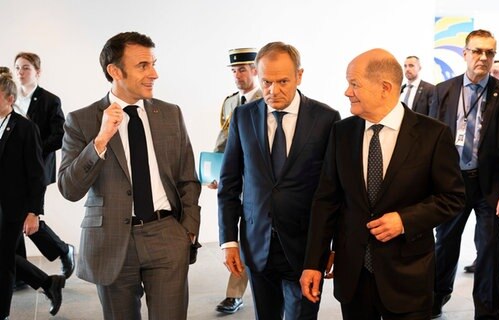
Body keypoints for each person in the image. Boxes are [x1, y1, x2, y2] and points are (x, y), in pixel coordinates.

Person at [300, 48, 465, 320]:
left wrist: (404, 220)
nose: (347, 92)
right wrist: (313, 263)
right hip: (353, 277)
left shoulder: (433, 135)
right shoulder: (342, 133)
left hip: (408, 278)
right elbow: (326, 200)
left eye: (354, 84)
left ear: (385, 88)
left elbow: (453, 198)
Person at [57, 31, 201, 320]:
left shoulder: (170, 114)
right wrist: (100, 140)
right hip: (110, 242)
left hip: (166, 236)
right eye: (143, 66)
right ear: (114, 71)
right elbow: (69, 189)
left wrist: (187, 230)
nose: (154, 73)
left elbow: (188, 178)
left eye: (153, 63)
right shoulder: (81, 120)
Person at [218, 41, 340, 320]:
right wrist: (228, 241)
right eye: (266, 81)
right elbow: (229, 183)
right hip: (256, 244)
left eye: (283, 81)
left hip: (306, 247)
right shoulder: (243, 116)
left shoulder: (326, 119)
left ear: (300, 75)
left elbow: (334, 191)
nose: (273, 91)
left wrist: (333, 245)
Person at [431, 30, 499, 319]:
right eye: (478, 51)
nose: (484, 57)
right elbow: (429, 143)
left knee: (488, 251)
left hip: (488, 188)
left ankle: (487, 312)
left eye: (490, 53)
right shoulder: (442, 91)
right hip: (451, 185)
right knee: (444, 245)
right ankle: (435, 299)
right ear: (465, 53)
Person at [0, 70, 64, 319]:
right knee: (5, 256)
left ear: (8, 98)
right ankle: (49, 283)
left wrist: (34, 212)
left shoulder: (25, 128)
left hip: (14, 206)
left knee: (4, 259)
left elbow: (36, 174)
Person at [12, 52, 75, 283]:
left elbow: (59, 137)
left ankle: (62, 250)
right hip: (12, 168)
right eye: (17, 67)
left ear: (38, 71)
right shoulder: (10, 99)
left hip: (37, 167)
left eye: (26, 67)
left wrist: (33, 150)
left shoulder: (50, 100)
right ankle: (20, 271)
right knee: (14, 215)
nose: (20, 72)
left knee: (23, 214)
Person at [211, 48, 263, 314]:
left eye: (242, 69)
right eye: (233, 70)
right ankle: (235, 294)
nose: (237, 75)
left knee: (251, 239)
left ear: (255, 70)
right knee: (236, 237)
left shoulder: (270, 99)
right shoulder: (231, 102)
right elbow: (224, 142)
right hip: (235, 183)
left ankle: (244, 292)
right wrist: (213, 172)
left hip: (259, 183)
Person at [463, 59, 499, 274]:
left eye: (498, 71)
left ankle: (487, 307)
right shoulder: (448, 90)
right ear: (465, 54)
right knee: (445, 240)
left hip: (489, 183)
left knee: (488, 242)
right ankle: (438, 294)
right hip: (456, 181)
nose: (483, 59)